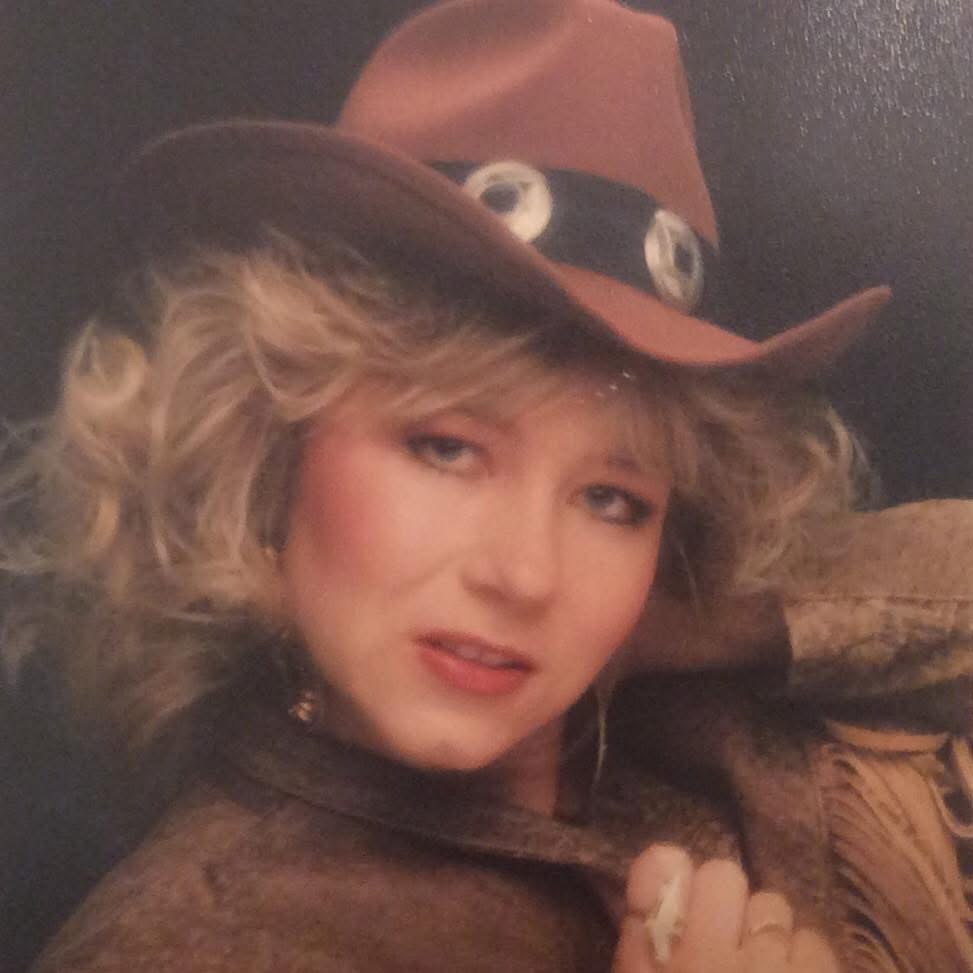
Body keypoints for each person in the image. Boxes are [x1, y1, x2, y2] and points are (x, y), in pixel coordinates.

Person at [2, 1, 971, 970]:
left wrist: (663, 626)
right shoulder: (191, 942)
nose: (526, 575)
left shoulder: (673, 720)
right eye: (445, 448)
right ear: (266, 450)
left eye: (611, 500)